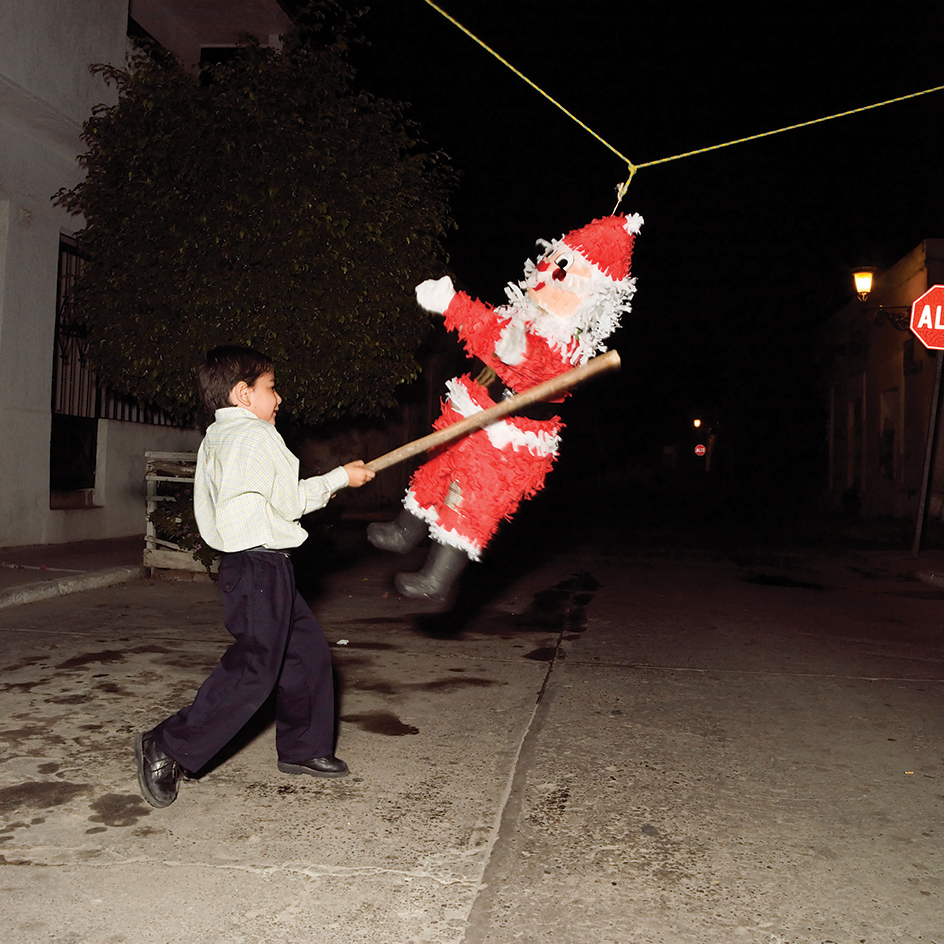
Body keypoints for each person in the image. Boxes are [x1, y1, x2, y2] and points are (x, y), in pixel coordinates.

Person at [134, 345, 375, 808]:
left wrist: (340, 477)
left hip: (255, 565)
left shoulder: (218, 437)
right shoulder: (256, 436)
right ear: (243, 394)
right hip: (259, 565)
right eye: (270, 387)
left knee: (304, 656)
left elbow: (265, 500)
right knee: (254, 670)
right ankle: (167, 746)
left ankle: (304, 748)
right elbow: (288, 502)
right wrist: (340, 478)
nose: (279, 398)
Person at [368, 213, 642, 608]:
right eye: (552, 264)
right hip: (474, 406)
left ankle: (436, 578)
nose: (549, 276)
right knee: (436, 466)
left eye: (566, 274)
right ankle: (404, 531)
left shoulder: (570, 344)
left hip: (509, 437)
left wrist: (521, 353)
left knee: (470, 498)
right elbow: (485, 327)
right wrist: (451, 302)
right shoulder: (520, 316)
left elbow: (544, 365)